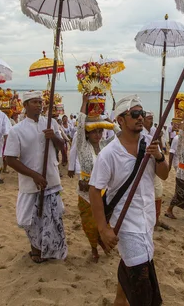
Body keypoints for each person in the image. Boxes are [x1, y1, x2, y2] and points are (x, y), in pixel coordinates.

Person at [89, 95, 169, 306]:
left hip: (147, 218)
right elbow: (94, 191)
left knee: (134, 263)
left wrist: (159, 157)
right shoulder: (109, 154)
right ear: (120, 120)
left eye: (142, 113)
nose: (140, 117)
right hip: (125, 224)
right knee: (142, 281)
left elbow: (164, 175)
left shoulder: (150, 145)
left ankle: (119, 300)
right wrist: (103, 228)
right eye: (134, 114)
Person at [5, 91, 68, 263]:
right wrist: (33, 175)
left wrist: (53, 137)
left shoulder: (51, 123)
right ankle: (36, 250)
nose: (39, 105)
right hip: (30, 183)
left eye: (40, 102)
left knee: (54, 217)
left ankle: (52, 250)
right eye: (34, 102)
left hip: (51, 178)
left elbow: (62, 146)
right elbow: (10, 159)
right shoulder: (17, 130)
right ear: (25, 105)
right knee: (33, 219)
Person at [72, 93, 119, 262]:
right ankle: (94, 247)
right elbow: (79, 127)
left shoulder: (105, 146)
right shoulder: (82, 146)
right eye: (94, 132)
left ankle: (103, 241)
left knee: (104, 220)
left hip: (103, 191)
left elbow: (120, 136)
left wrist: (109, 123)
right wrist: (84, 103)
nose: (98, 135)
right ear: (88, 133)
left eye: (100, 131)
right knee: (89, 224)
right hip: (85, 192)